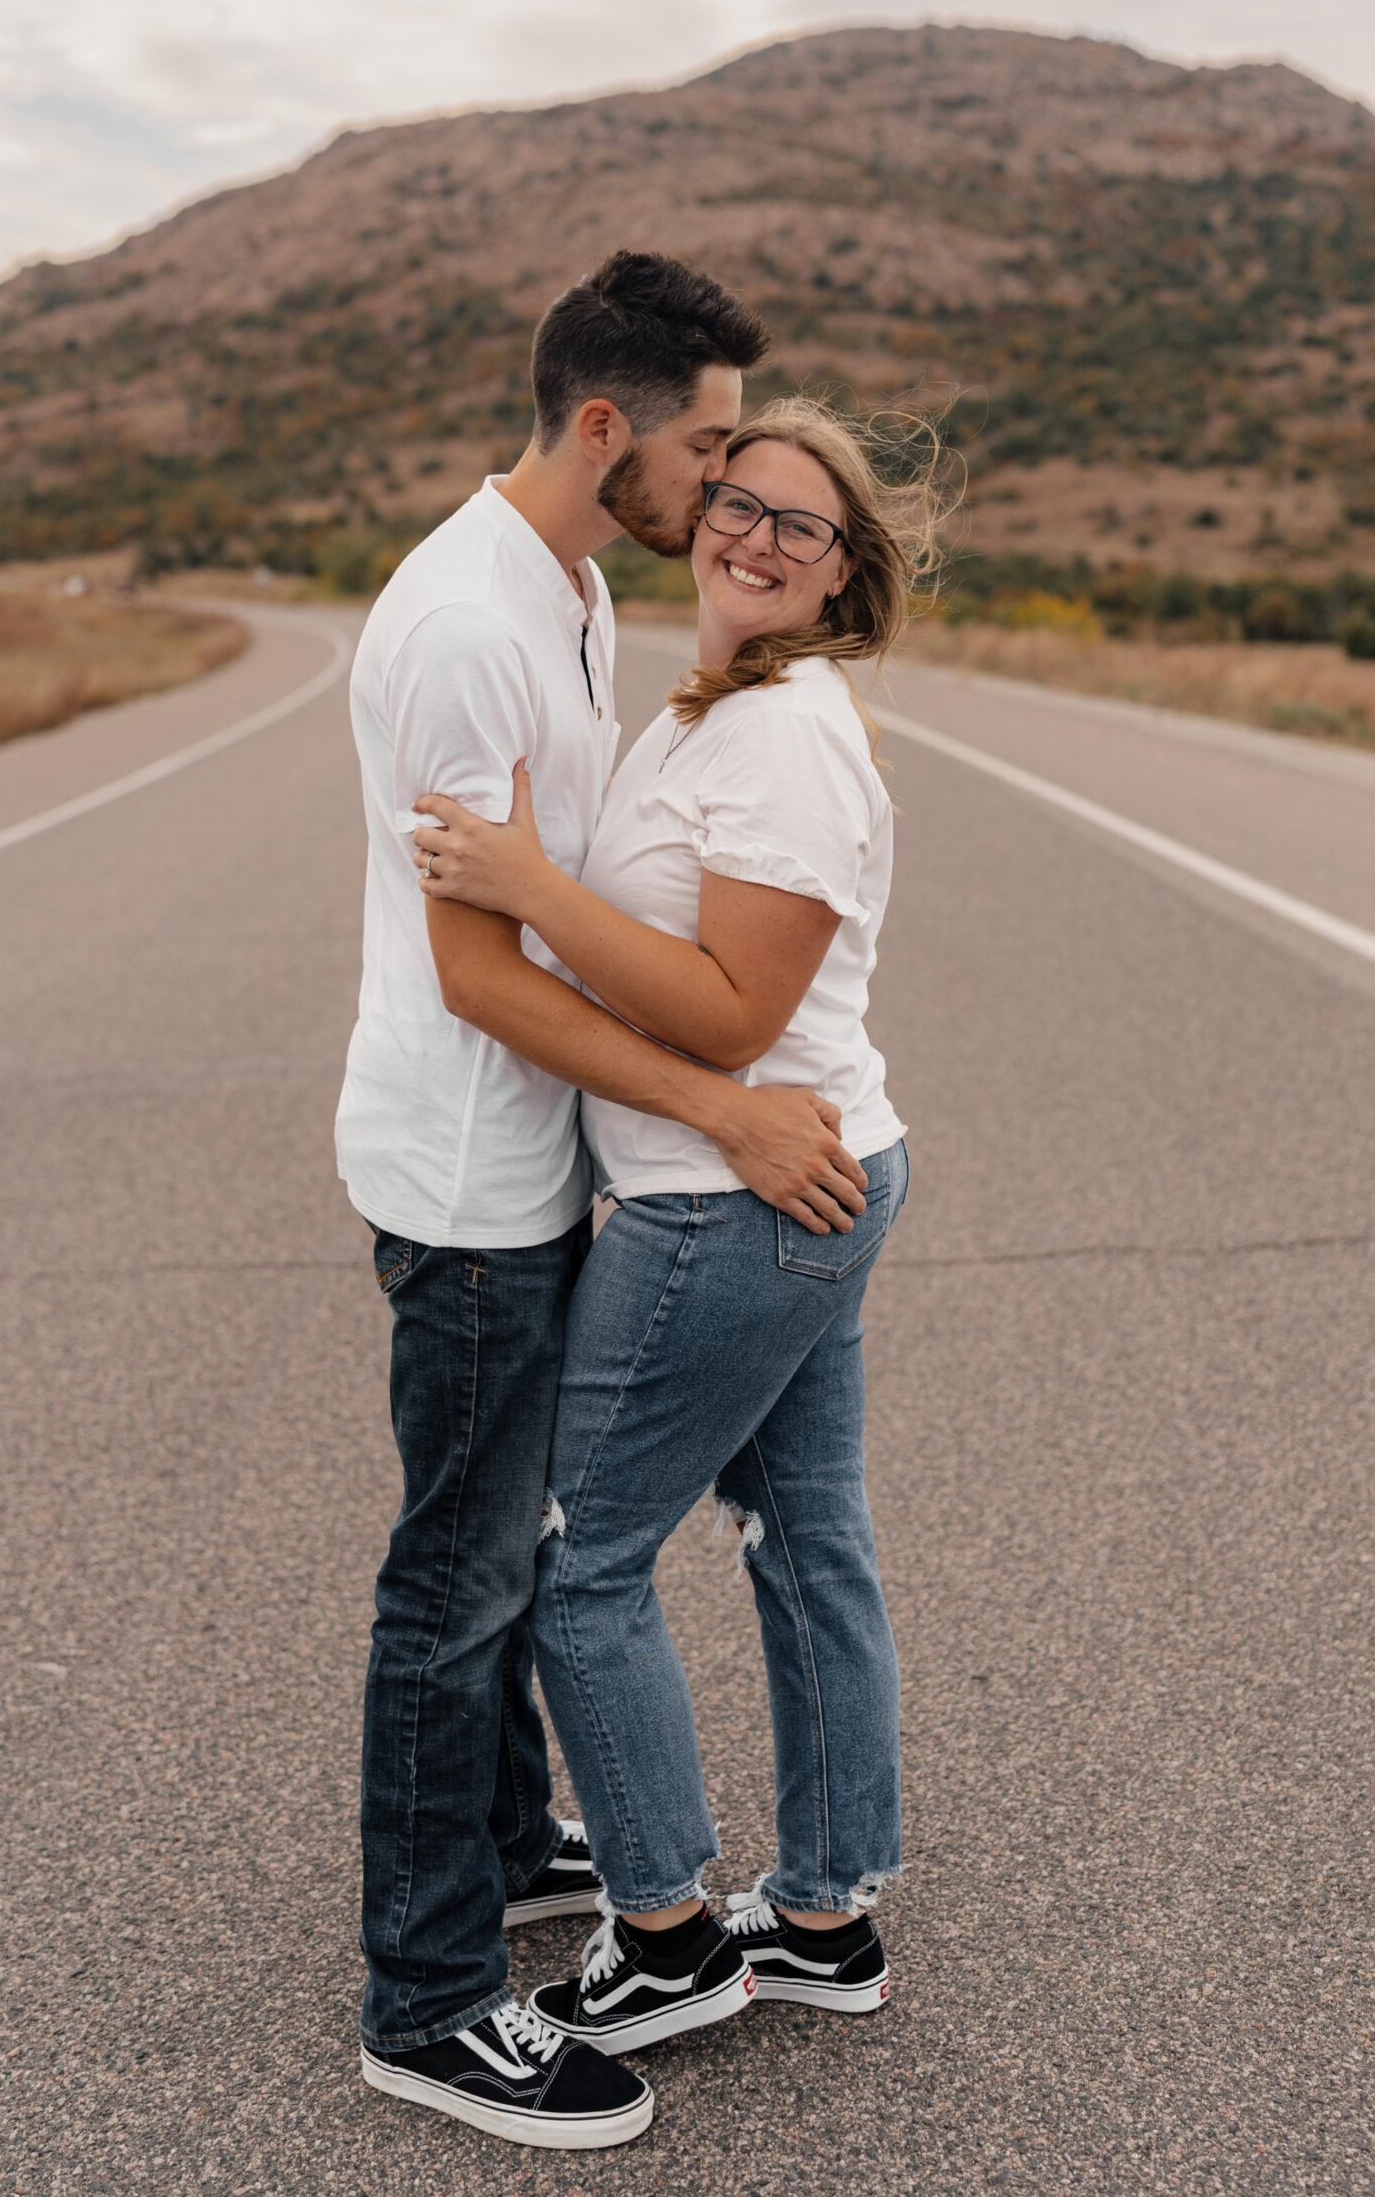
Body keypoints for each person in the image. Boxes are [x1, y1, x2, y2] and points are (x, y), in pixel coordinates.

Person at [339, 262, 874, 2152]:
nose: (719, 486)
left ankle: (501, 1835)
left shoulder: (567, 587)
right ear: (604, 428)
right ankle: (427, 2001)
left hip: (540, 1146)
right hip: (472, 1165)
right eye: (709, 444)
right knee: (464, 1577)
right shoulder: (469, 626)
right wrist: (728, 1107)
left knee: (502, 1537)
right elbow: (482, 972)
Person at [412, 395, 940, 2062]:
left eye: (804, 525)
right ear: (700, 505)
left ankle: (665, 1934)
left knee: (583, 1573)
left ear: (846, 571)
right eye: (740, 499)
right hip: (802, 1178)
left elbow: (726, 1019)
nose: (759, 535)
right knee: (810, 1539)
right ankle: (829, 1915)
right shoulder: (718, 709)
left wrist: (527, 886)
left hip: (737, 1204)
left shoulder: (780, 733)